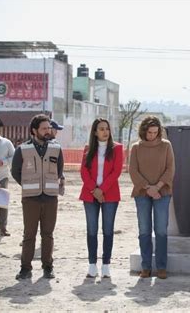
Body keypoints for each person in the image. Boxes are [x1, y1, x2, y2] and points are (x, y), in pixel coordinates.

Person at [11, 114, 64, 280]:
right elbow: (15, 171)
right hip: (31, 198)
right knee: (29, 235)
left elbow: (59, 170)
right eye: (44, 128)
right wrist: (28, 184)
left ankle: (48, 267)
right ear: (34, 130)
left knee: (48, 234)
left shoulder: (56, 148)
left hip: (50, 198)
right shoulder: (22, 149)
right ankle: (25, 268)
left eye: (49, 128)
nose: (48, 131)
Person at [129, 115, 175, 279]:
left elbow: (170, 169)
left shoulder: (166, 146)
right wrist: (148, 188)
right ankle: (146, 267)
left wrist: (157, 187)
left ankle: (161, 267)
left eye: (156, 132)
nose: (153, 135)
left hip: (162, 193)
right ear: (143, 131)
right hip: (142, 193)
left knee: (161, 230)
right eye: (150, 132)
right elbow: (133, 171)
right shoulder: (136, 147)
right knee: (144, 230)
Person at [79, 118, 123, 278]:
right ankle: (92, 265)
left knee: (108, 230)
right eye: (102, 129)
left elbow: (116, 172)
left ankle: (106, 265)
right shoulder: (88, 148)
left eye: (107, 129)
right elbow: (83, 172)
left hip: (110, 195)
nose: (105, 132)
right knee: (91, 230)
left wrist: (102, 190)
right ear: (95, 132)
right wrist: (94, 190)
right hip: (90, 195)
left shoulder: (117, 149)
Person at [0, 118, 15, 237]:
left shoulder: (6, 143)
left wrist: (3, 162)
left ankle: (3, 228)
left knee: (3, 203)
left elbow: (14, 157)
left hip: (3, 176)